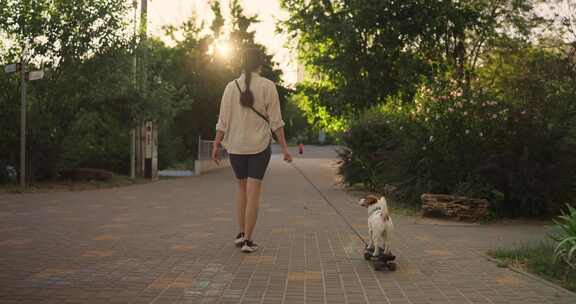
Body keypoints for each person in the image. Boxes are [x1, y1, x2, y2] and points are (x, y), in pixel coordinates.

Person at [212, 48, 292, 253]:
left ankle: (241, 234)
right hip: (259, 147)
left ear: (241, 63)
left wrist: (216, 144)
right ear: (260, 64)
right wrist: (284, 148)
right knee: (253, 193)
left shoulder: (231, 87)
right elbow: (276, 122)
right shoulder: (268, 86)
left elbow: (223, 121)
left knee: (241, 189)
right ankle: (248, 240)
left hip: (236, 148)